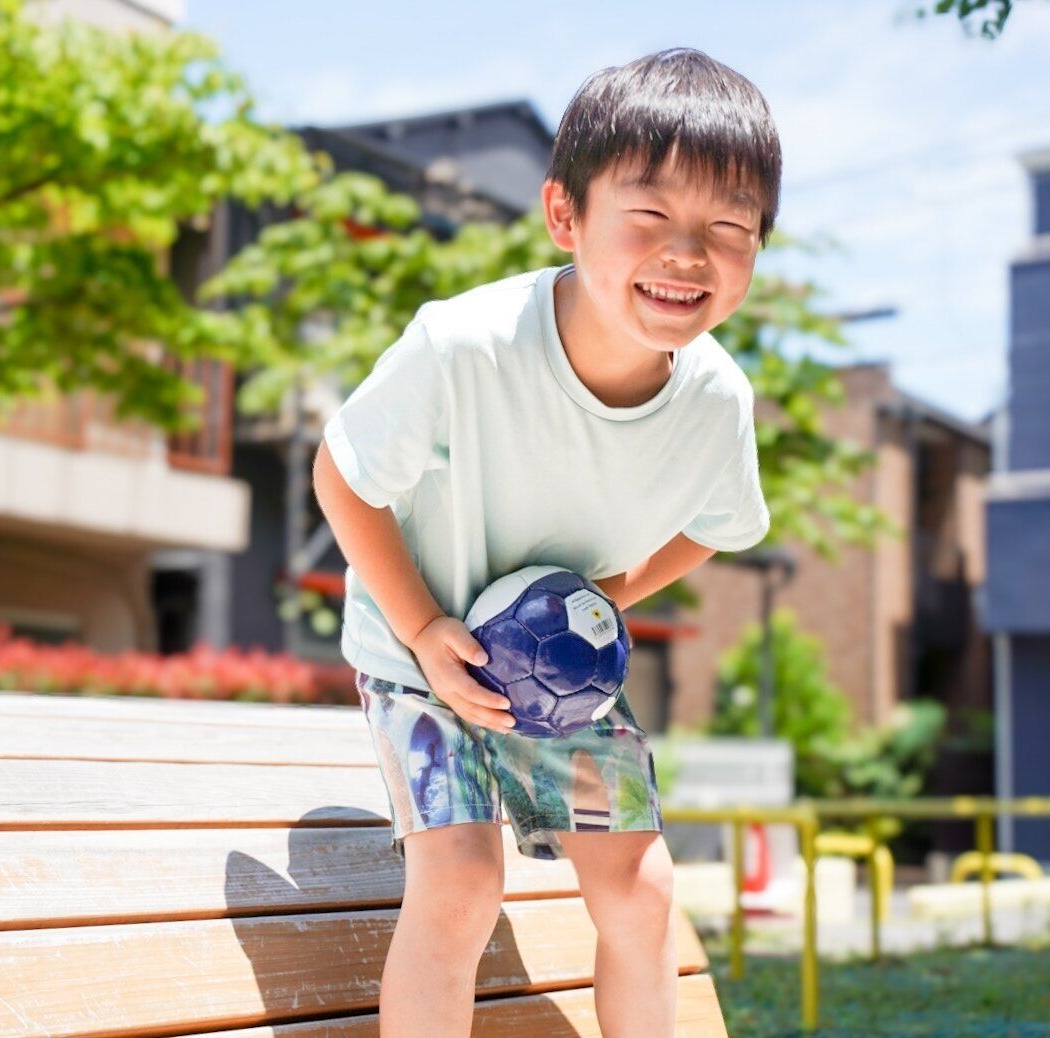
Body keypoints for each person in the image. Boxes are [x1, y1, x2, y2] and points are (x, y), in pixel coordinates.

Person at [311, 45, 779, 1038]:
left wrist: (611, 593)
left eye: (728, 229)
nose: (687, 254)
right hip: (416, 655)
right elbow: (341, 476)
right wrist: (423, 626)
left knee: (643, 892)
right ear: (565, 215)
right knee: (462, 885)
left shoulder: (717, 400)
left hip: (563, 674)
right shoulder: (463, 344)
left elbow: (717, 527)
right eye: (648, 215)